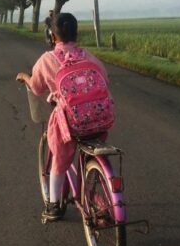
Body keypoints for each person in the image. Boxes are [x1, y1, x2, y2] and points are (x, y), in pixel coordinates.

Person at [16, 12, 112, 221]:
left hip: (69, 123)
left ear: (52, 36)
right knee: (88, 152)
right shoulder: (88, 56)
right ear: (76, 33)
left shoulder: (46, 60)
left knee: (59, 160)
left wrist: (24, 77)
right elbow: (104, 79)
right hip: (99, 119)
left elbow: (37, 87)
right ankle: (97, 190)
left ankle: (53, 206)